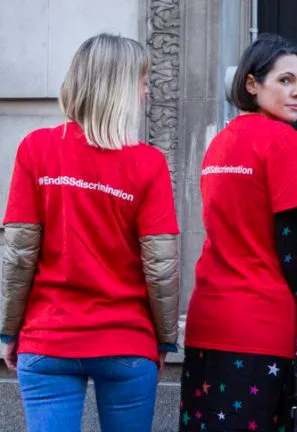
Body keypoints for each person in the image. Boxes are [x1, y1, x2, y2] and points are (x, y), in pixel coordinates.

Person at [0, 33, 180, 432]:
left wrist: (9, 330)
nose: (147, 92)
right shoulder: (148, 163)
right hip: (126, 341)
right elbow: (161, 266)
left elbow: (18, 254)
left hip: (48, 339)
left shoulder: (36, 148)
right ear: (118, 87)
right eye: (143, 81)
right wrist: (165, 340)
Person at [181, 34, 297, 432]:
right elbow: (296, 239)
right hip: (261, 323)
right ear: (251, 84)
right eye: (286, 80)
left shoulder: (219, 142)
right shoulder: (283, 140)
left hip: (207, 317)